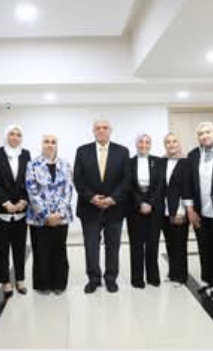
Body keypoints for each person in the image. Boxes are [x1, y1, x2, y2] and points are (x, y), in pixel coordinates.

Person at [73, 119, 131, 293]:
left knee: (113, 246)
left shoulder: (122, 151)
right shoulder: (82, 151)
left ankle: (111, 279)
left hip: (115, 208)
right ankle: (94, 279)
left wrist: (113, 198)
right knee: (91, 247)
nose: (101, 130)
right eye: (98, 128)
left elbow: (126, 179)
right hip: (89, 208)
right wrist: (91, 197)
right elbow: (78, 179)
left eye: (105, 128)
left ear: (110, 130)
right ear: (93, 131)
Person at [182, 121, 213, 295]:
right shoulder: (193, 155)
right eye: (201, 133)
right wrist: (190, 210)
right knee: (203, 246)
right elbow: (187, 183)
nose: (204, 136)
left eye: (208, 132)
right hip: (199, 210)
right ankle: (207, 279)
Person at [25, 134, 74, 294]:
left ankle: (59, 283)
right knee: (41, 251)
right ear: (42, 144)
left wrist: (59, 213)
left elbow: (68, 190)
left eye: (53, 142)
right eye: (46, 141)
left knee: (59, 251)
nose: (50, 145)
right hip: (39, 218)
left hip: (61, 218)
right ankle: (43, 284)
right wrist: (46, 215)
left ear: (57, 145)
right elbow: (32, 190)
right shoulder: (33, 165)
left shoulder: (65, 165)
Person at [0, 125, 31, 295]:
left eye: (18, 134)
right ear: (6, 136)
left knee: (20, 247)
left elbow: (29, 180)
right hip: (0, 210)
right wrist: (5, 202)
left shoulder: (26, 154)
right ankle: (5, 281)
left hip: (21, 210)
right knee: (2, 248)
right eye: (12, 134)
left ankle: (20, 279)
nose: (15, 137)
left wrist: (23, 200)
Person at [127, 134, 164, 288]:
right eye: (141, 142)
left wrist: (149, 202)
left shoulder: (159, 161)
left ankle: (153, 277)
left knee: (152, 243)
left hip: (154, 208)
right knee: (136, 244)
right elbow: (128, 185)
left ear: (150, 145)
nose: (144, 145)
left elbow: (160, 185)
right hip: (134, 208)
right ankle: (137, 279)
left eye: (147, 142)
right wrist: (140, 203)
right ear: (136, 145)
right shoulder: (129, 162)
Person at [160, 133, 190, 284]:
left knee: (180, 244)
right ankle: (172, 273)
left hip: (179, 210)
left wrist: (181, 211)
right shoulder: (162, 162)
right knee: (170, 243)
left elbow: (187, 188)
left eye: (174, 141)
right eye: (168, 142)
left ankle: (181, 276)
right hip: (164, 210)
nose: (171, 144)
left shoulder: (186, 162)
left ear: (179, 144)